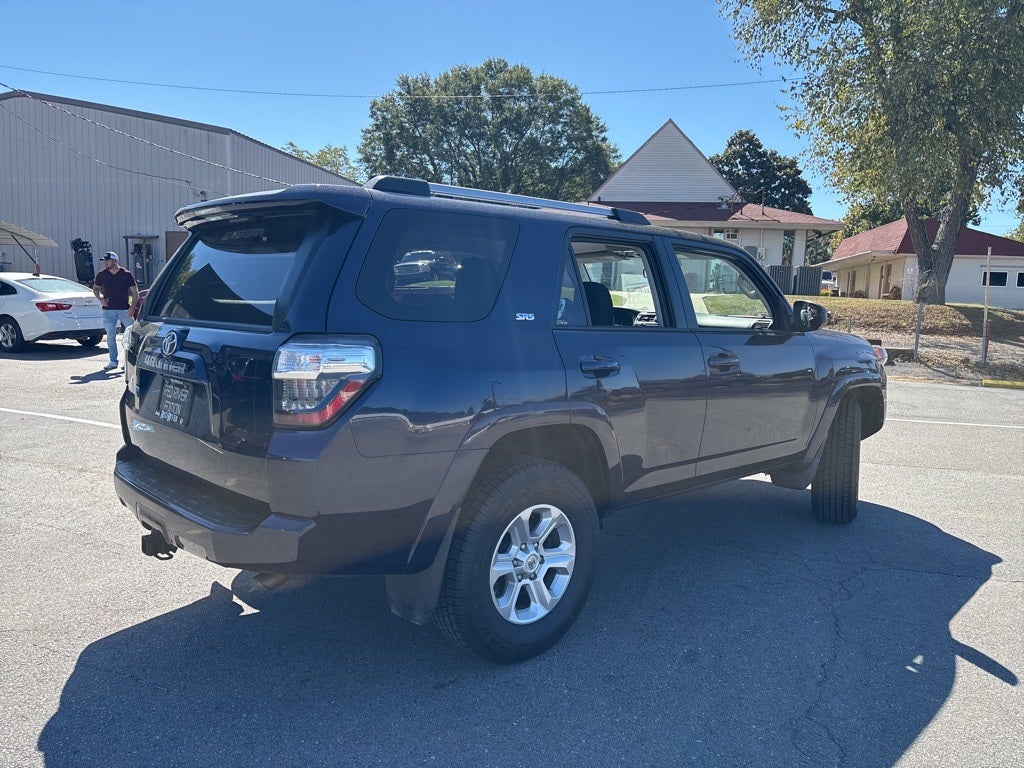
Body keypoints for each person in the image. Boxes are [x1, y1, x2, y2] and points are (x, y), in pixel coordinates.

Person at [92, 251, 140, 370]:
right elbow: (95, 288)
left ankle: (130, 360)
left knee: (131, 335)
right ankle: (113, 361)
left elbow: (135, 292)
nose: (106, 263)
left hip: (124, 309)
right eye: (105, 261)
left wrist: (132, 308)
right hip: (108, 310)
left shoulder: (126, 274)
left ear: (115, 261)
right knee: (110, 336)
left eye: (108, 261)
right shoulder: (102, 274)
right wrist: (101, 300)